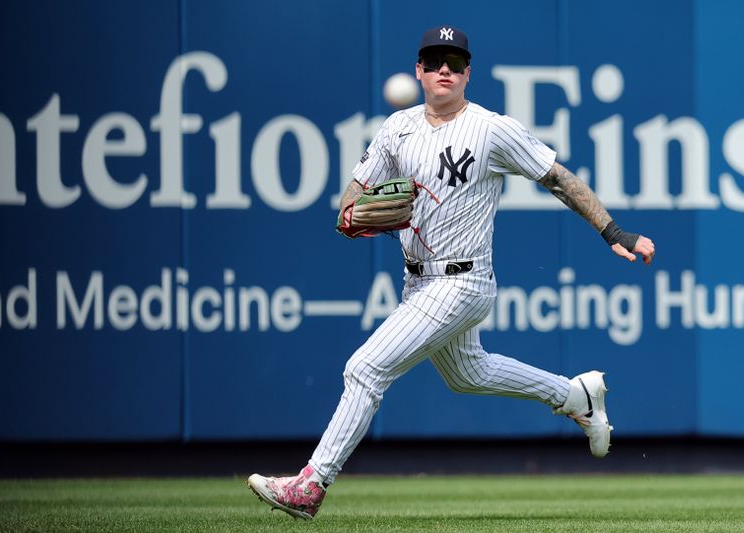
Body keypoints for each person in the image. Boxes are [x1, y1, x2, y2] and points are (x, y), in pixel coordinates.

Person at [247, 25, 655, 520]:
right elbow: (350, 202)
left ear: (467, 73)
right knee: (468, 373)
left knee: (365, 368)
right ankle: (575, 394)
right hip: (418, 280)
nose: (445, 69)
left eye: (455, 62)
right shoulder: (396, 129)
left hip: (463, 280)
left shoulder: (490, 128)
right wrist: (355, 215)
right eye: (435, 60)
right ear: (419, 70)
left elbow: (558, 178)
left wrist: (613, 232)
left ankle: (311, 485)